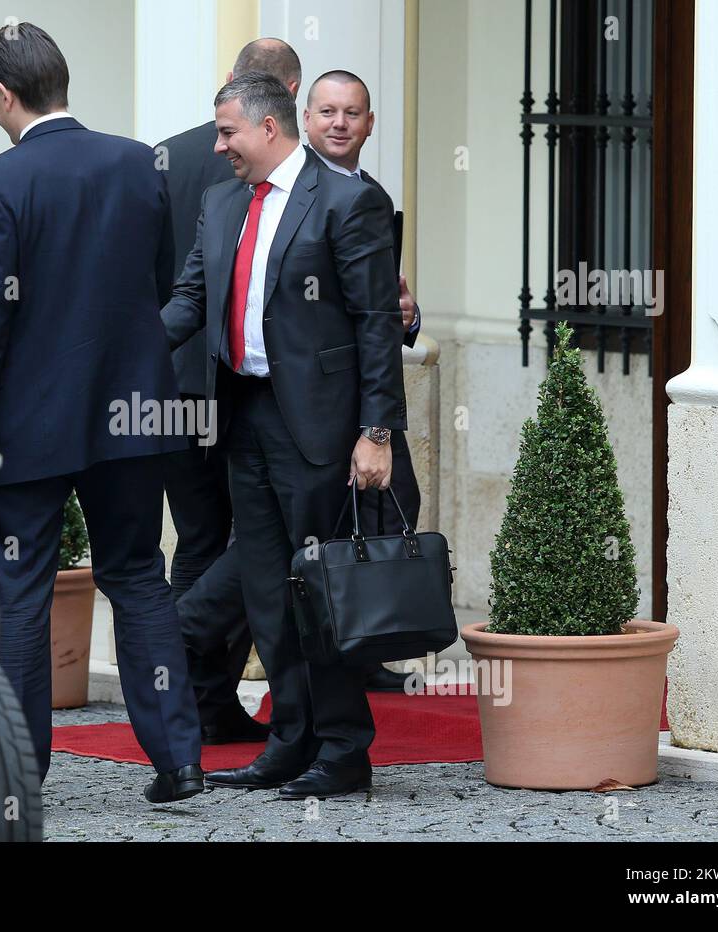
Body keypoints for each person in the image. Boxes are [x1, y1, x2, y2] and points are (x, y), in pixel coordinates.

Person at [0, 22, 203, 803]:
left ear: (3, 95)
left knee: (22, 592)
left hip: (31, 428)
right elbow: (157, 283)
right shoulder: (135, 161)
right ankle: (180, 760)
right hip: (132, 415)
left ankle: (21, 772)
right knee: (140, 578)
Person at [161, 72, 407, 799]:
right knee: (268, 592)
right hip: (245, 417)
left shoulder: (347, 200)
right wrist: (124, 355)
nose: (219, 145)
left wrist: (376, 431)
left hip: (322, 429)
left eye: (228, 131)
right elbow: (190, 301)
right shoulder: (220, 200)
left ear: (269, 128)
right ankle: (289, 740)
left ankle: (343, 749)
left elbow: (376, 325)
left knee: (318, 590)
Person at [155, 37, 303, 746]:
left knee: (202, 542)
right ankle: (199, 681)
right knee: (255, 547)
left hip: (185, 386)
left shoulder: (162, 157)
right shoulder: (225, 175)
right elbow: (186, 286)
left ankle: (198, 698)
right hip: (226, 388)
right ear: (288, 96)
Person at [303, 69, 426, 692]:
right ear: (306, 119)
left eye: (352, 113)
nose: (339, 123)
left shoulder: (372, 195)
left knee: (389, 507)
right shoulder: (295, 193)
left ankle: (368, 645)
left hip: (369, 389)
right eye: (327, 111)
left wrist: (408, 316)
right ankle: (327, 654)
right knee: (322, 528)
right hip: (313, 400)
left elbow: (380, 305)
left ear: (370, 123)